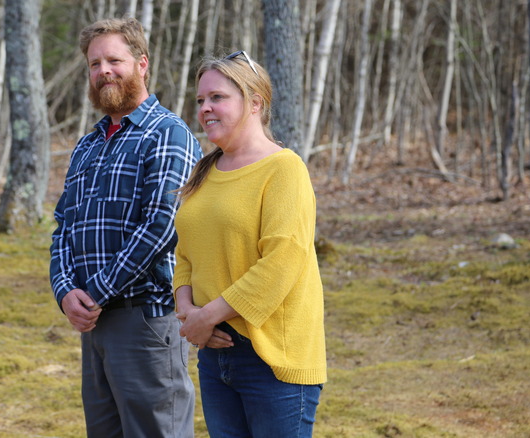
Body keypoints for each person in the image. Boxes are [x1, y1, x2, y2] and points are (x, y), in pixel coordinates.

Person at [49, 18, 200, 438]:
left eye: (114, 60)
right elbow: (65, 224)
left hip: (145, 320)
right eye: (94, 64)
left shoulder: (167, 134)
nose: (104, 71)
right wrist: (64, 291)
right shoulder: (88, 144)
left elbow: (161, 227)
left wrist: (93, 291)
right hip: (94, 325)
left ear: (141, 64)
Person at [173, 50, 327, 437]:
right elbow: (187, 253)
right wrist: (188, 313)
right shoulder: (205, 173)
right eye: (200, 100)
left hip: (272, 359)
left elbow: (281, 263)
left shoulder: (284, 169)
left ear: (255, 102)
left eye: (217, 98)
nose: (205, 108)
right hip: (215, 354)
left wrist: (206, 317)